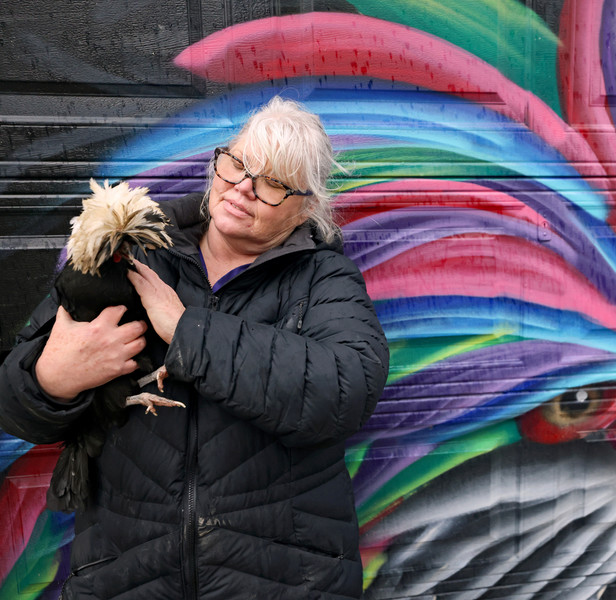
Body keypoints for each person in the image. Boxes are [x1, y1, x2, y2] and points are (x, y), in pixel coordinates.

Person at [0, 97, 390, 599]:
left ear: (305, 208)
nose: (243, 187)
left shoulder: (323, 278)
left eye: (272, 182)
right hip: (127, 579)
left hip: (282, 581)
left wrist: (188, 331)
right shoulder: (134, 253)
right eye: (238, 164)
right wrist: (52, 379)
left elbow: (344, 390)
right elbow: (14, 404)